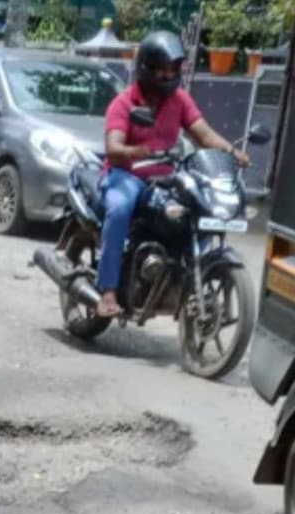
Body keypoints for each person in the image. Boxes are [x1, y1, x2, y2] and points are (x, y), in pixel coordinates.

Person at [96, 31, 250, 318]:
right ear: (147, 68)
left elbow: (203, 134)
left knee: (198, 208)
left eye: (172, 70)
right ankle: (107, 291)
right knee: (119, 209)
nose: (167, 76)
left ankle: (183, 276)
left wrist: (231, 151)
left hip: (165, 177)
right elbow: (113, 147)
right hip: (125, 175)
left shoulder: (179, 100)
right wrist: (135, 152)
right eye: (161, 69)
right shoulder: (125, 103)